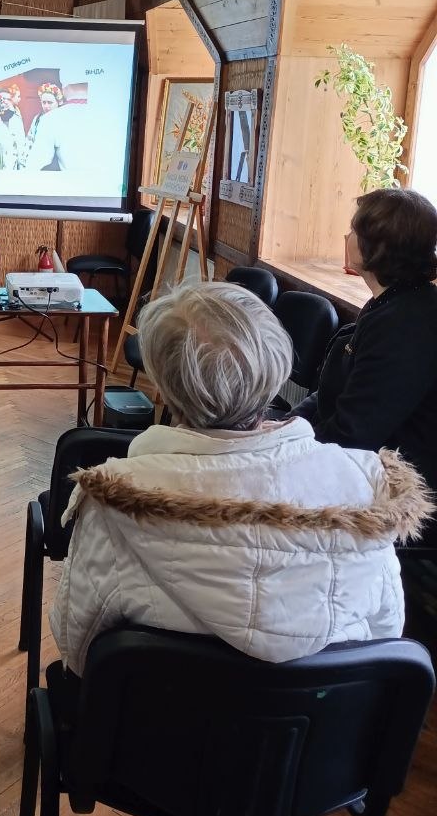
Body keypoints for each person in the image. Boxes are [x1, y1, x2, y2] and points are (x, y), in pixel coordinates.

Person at [50, 282, 431, 678]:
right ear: (276, 369)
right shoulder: (365, 485)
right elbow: (384, 633)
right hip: (324, 716)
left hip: (157, 713)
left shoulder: (116, 495)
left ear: (161, 385)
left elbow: (76, 648)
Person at [291, 190, 437, 532]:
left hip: (396, 489)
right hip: (361, 460)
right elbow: (340, 394)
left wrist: (291, 451)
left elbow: (355, 433)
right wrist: (291, 424)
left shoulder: (406, 324)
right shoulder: (393, 302)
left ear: (379, 247)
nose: (346, 236)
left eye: (354, 230)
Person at [26, 82, 62, 165]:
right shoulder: (37, 119)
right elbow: (29, 141)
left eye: (50, 102)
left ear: (58, 102)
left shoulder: (62, 119)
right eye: (44, 102)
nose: (46, 106)